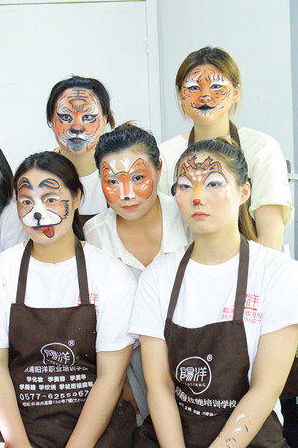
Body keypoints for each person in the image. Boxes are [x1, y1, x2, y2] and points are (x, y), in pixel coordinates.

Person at [131, 139, 298, 447]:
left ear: (244, 192)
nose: (197, 197)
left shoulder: (279, 273)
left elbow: (265, 388)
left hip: (250, 436)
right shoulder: (158, 276)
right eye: (184, 186)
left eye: (213, 184)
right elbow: (160, 386)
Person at [0, 151, 137, 447]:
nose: (38, 212)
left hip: (97, 433)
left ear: (77, 197)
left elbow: (111, 378)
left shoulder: (111, 274)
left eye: (51, 198)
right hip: (19, 429)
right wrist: (19, 444)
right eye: (26, 201)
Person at [84, 123, 191, 426]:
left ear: (159, 170)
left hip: (194, 353)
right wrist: (120, 384)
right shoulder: (94, 233)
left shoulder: (189, 218)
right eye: (112, 181)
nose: (126, 194)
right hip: (127, 367)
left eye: (138, 178)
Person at [157, 47, 293, 250]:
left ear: (236, 93)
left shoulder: (262, 148)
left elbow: (271, 238)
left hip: (250, 265)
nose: (205, 96)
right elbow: (164, 232)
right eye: (193, 88)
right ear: (180, 96)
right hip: (185, 264)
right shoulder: (165, 155)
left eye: (216, 87)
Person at [46, 76, 116, 221]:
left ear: (105, 120)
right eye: (66, 117)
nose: (77, 127)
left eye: (88, 117)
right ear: (51, 121)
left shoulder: (121, 173)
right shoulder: (37, 174)